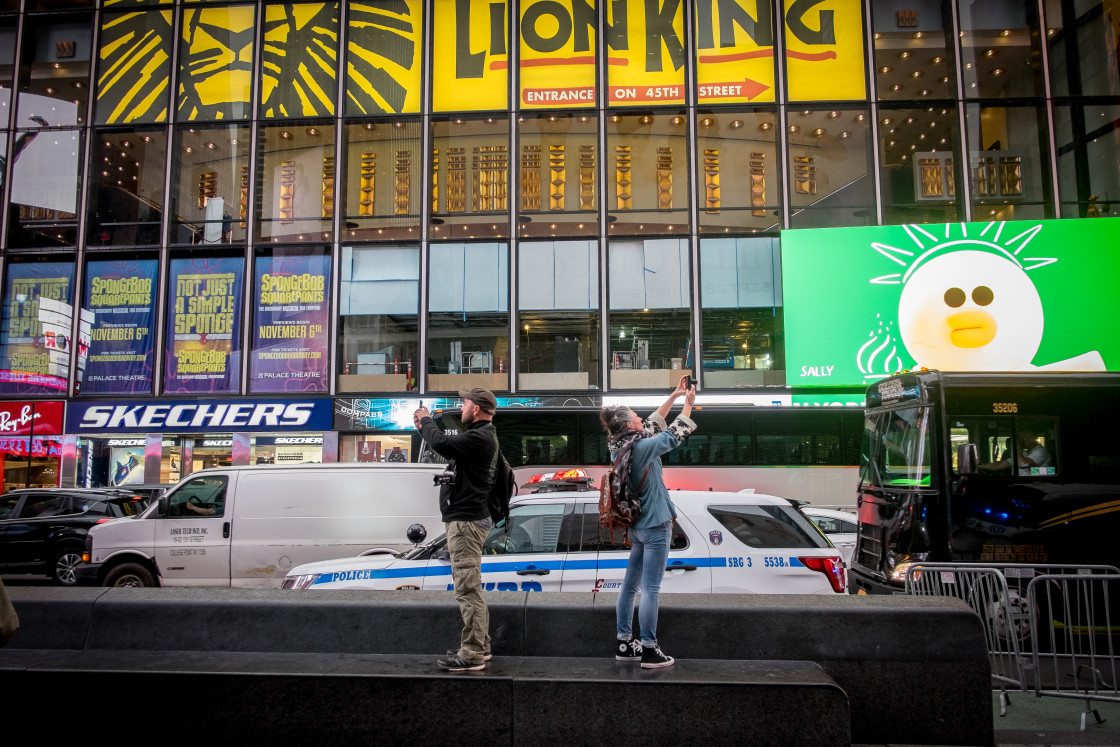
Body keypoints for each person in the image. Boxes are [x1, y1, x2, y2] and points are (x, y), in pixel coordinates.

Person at [600, 374, 697, 669]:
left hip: (638, 527)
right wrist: (689, 404)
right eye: (635, 416)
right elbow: (673, 435)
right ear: (630, 424)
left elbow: (654, 422)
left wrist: (676, 394)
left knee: (630, 586)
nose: (641, 418)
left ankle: (624, 642)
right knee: (651, 589)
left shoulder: (620, 445)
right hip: (656, 525)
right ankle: (650, 649)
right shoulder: (643, 447)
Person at [414, 388, 500, 672]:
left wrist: (427, 420)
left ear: (476, 409)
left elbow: (441, 443)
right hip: (468, 518)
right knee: (470, 586)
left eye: (464, 403)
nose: (461, 408)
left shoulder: (479, 437)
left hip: (466, 522)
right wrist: (425, 428)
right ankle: (481, 645)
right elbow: (443, 445)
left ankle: (473, 653)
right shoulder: (481, 436)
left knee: (467, 588)